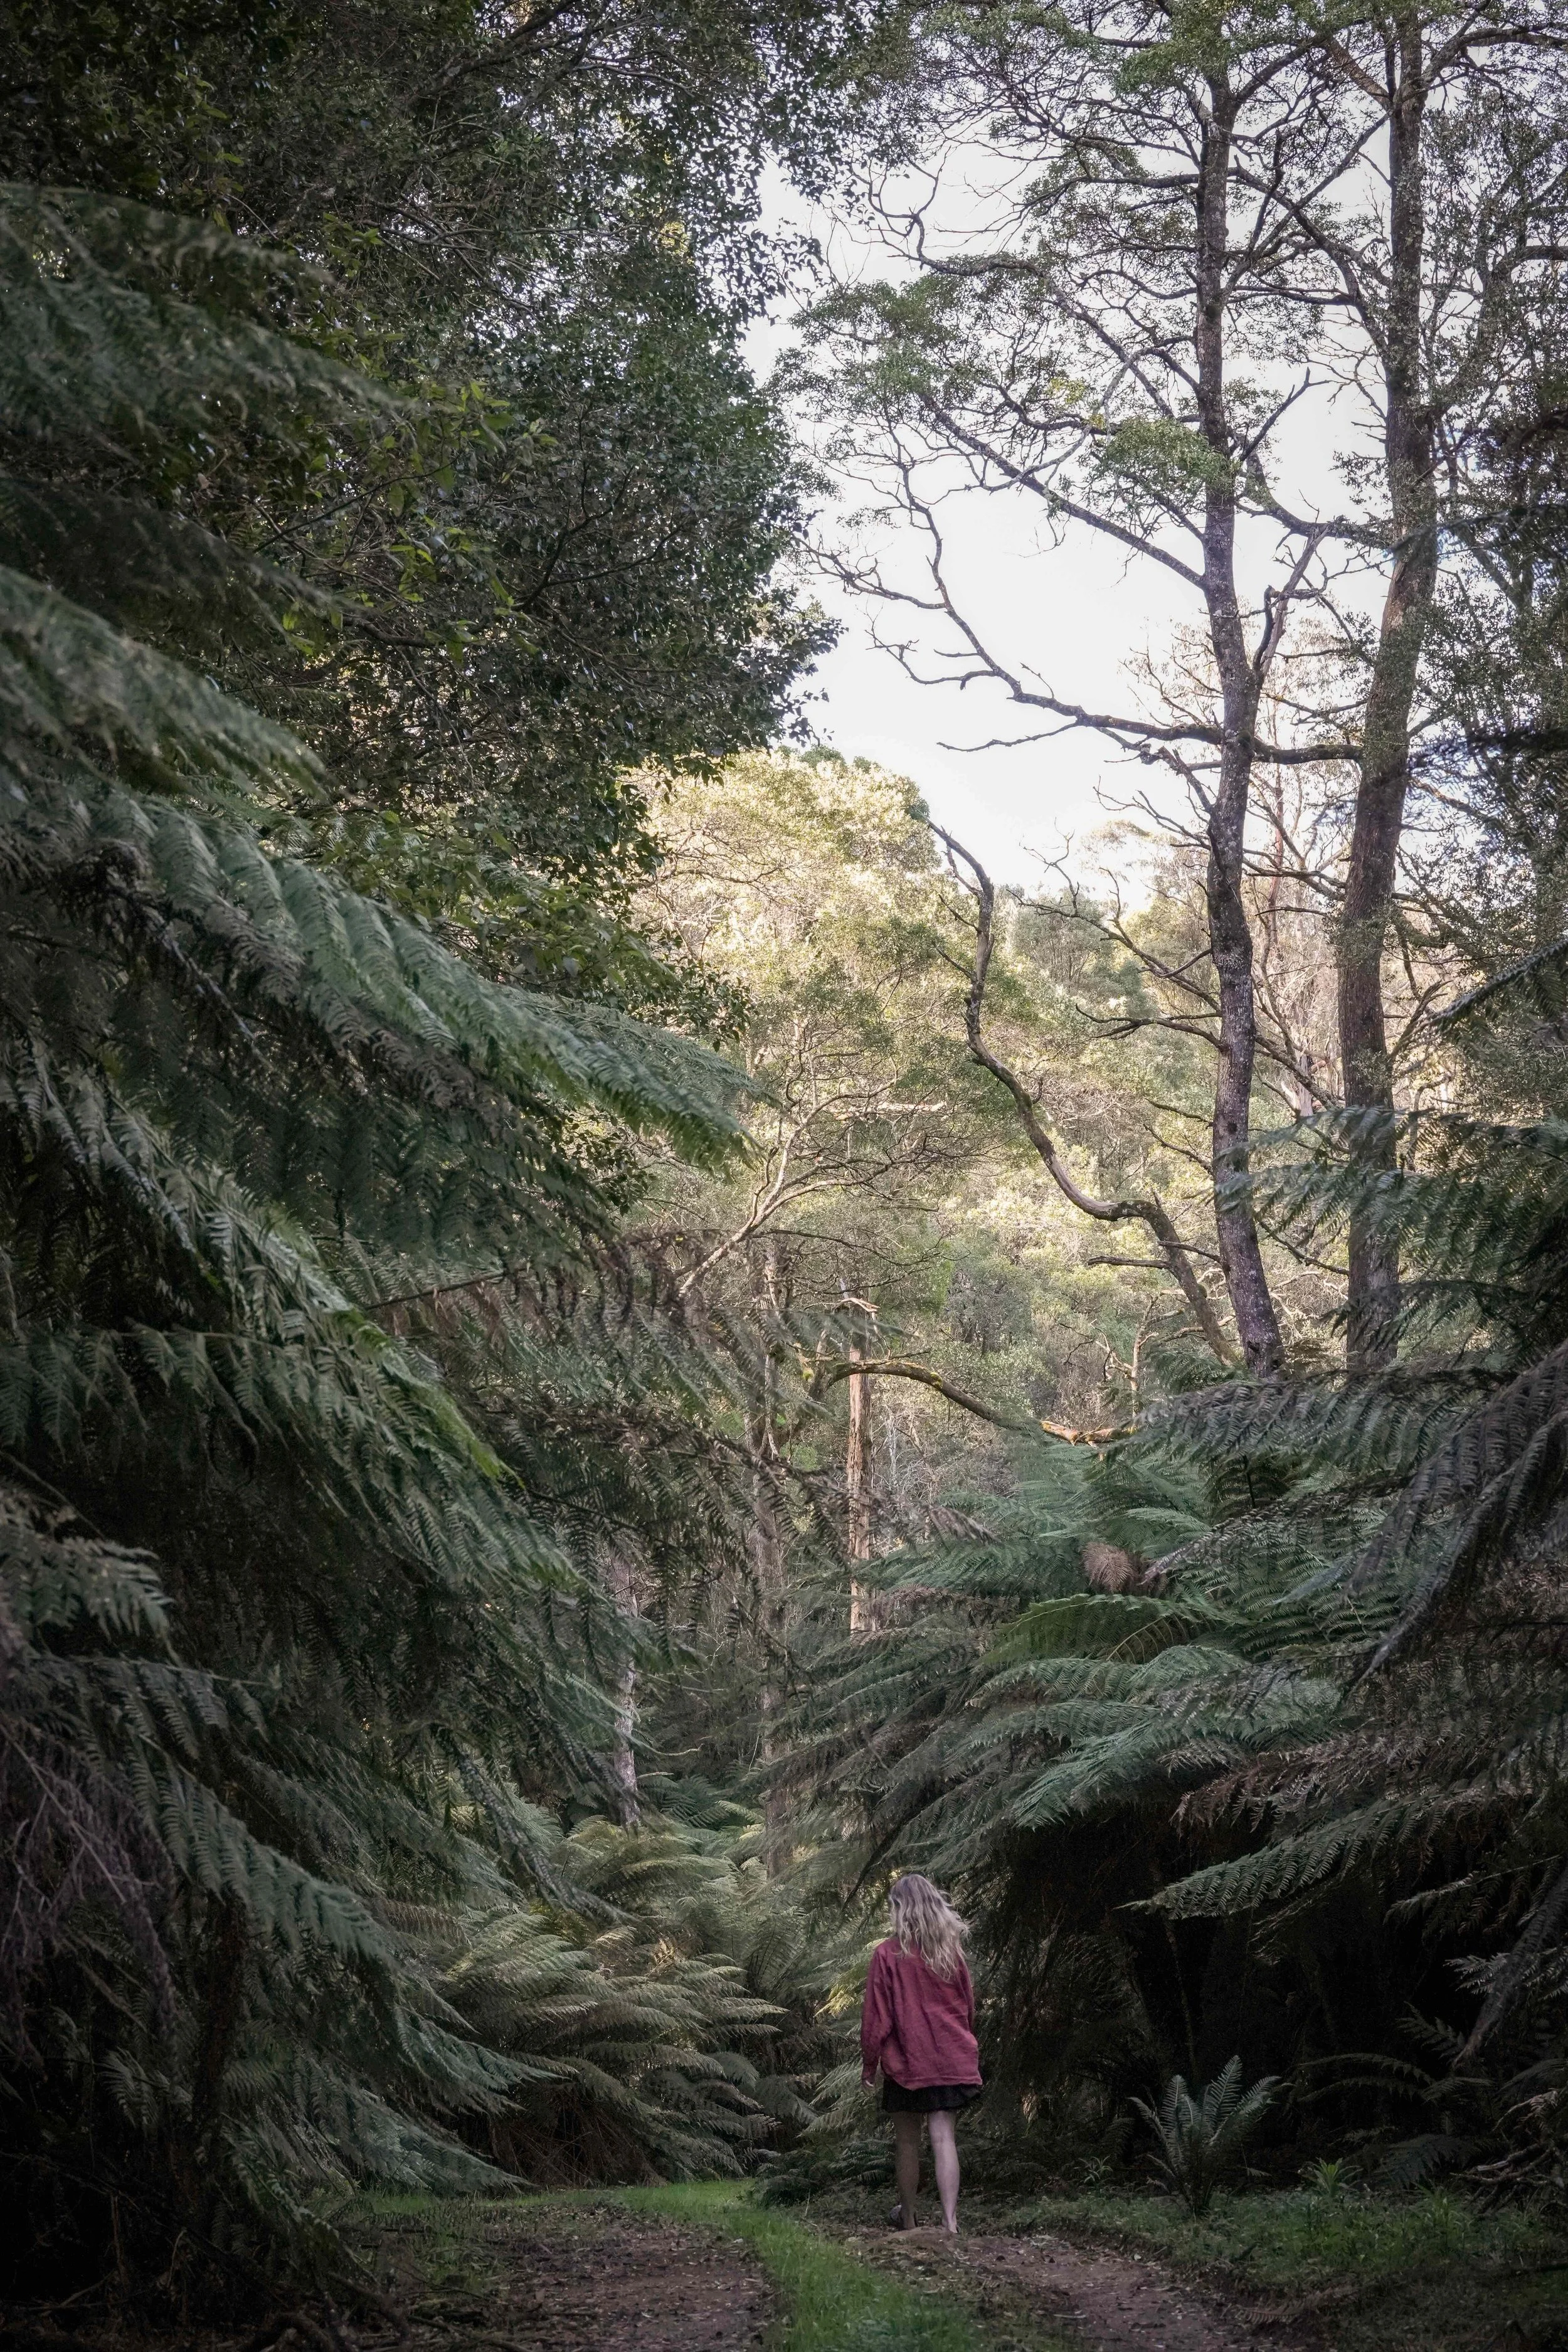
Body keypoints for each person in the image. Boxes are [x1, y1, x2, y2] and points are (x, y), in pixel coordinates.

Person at [859, 1872, 982, 2234]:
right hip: (949, 2057)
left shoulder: (886, 1954)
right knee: (944, 2138)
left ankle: (910, 2220)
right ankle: (950, 2222)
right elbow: (968, 2007)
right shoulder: (950, 1952)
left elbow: (875, 2017)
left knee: (908, 2142)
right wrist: (964, 2044)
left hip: (907, 2063)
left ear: (899, 1909)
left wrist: (870, 2065)